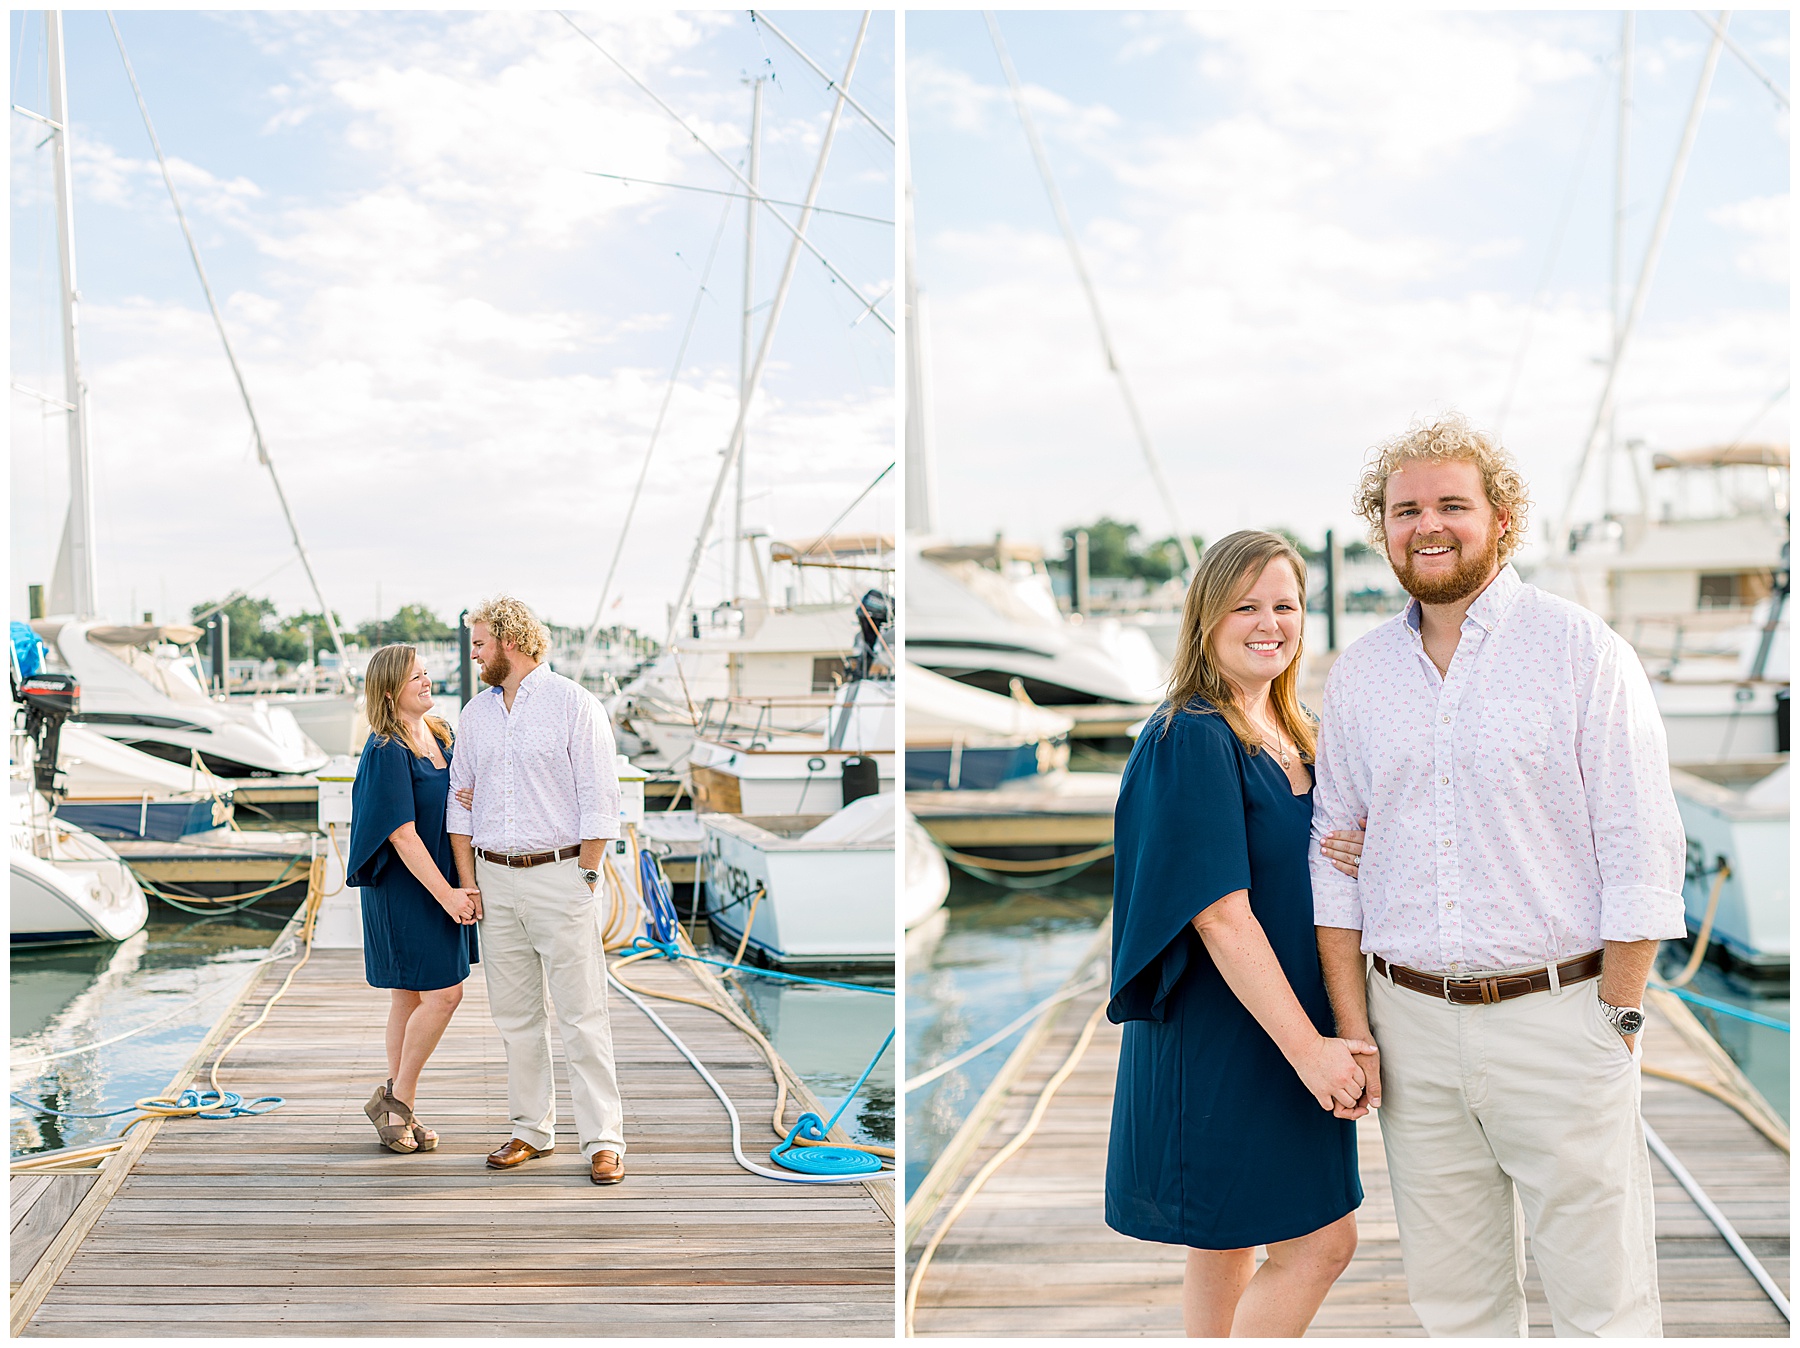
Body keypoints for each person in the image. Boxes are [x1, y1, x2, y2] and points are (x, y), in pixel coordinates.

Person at [1310, 412, 1687, 1336]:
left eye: (1451, 505)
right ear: (1382, 529)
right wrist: (1356, 1030)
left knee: (1604, 1305)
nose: (1426, 525)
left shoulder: (1580, 650)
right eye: (1404, 510)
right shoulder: (1359, 677)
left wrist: (1619, 1015)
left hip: (1563, 1017)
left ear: (1501, 520)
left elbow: (1642, 847)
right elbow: (1336, 866)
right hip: (1411, 1030)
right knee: (1456, 1307)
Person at [1106, 529, 1373, 1338]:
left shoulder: (1294, 730)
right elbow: (1219, 913)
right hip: (1229, 1035)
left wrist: (1366, 846)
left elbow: (1307, 865)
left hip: (1283, 1018)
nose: (1270, 622)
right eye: (1245, 605)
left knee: (1229, 1240)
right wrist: (1312, 1051)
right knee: (1323, 1242)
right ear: (1205, 619)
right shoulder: (1192, 737)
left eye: (1285, 604)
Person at [446, 595, 628, 1186]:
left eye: (479, 643)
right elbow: (460, 803)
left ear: (510, 640)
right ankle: (532, 1129)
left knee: (582, 1015)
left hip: (562, 874)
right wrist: (469, 882)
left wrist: (587, 876)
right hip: (494, 878)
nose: (473, 654)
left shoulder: (575, 704)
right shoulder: (475, 714)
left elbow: (601, 800)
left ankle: (603, 1140)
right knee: (515, 1016)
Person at [346, 644, 480, 1154]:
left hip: (439, 879)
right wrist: (448, 895)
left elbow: (453, 798)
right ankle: (398, 1100)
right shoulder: (386, 748)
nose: (427, 682)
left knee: (409, 996)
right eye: (414, 678)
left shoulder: (440, 734)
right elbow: (401, 833)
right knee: (445, 995)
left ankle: (400, 1107)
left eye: (426, 673)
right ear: (388, 692)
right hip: (407, 888)